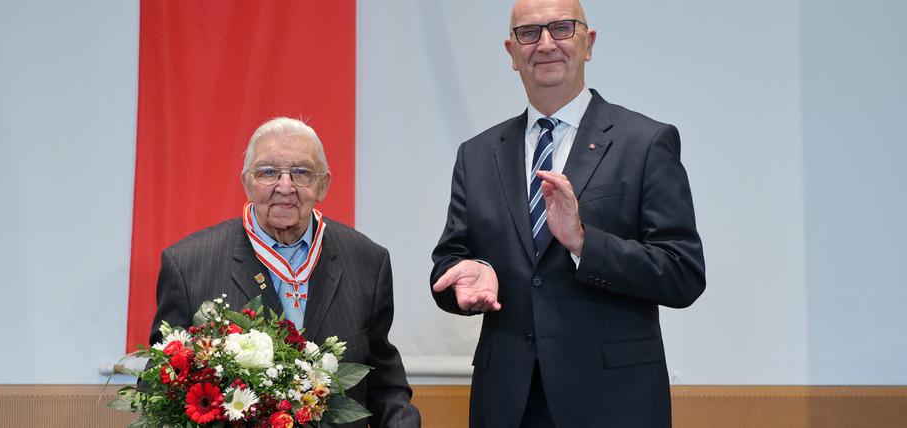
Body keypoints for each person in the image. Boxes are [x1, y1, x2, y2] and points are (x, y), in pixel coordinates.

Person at [429, 0, 706, 426]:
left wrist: (583, 242)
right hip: (508, 403)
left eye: (561, 28)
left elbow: (682, 273)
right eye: (529, 33)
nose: (545, 44)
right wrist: (469, 277)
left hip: (613, 404)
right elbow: (449, 263)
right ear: (512, 53)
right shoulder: (477, 154)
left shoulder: (646, 143)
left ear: (588, 43)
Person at [150, 117, 421, 427]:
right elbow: (160, 389)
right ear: (247, 183)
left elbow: (386, 387)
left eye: (302, 172)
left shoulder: (368, 262)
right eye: (268, 172)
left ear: (323, 184)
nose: (285, 186)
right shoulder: (188, 266)